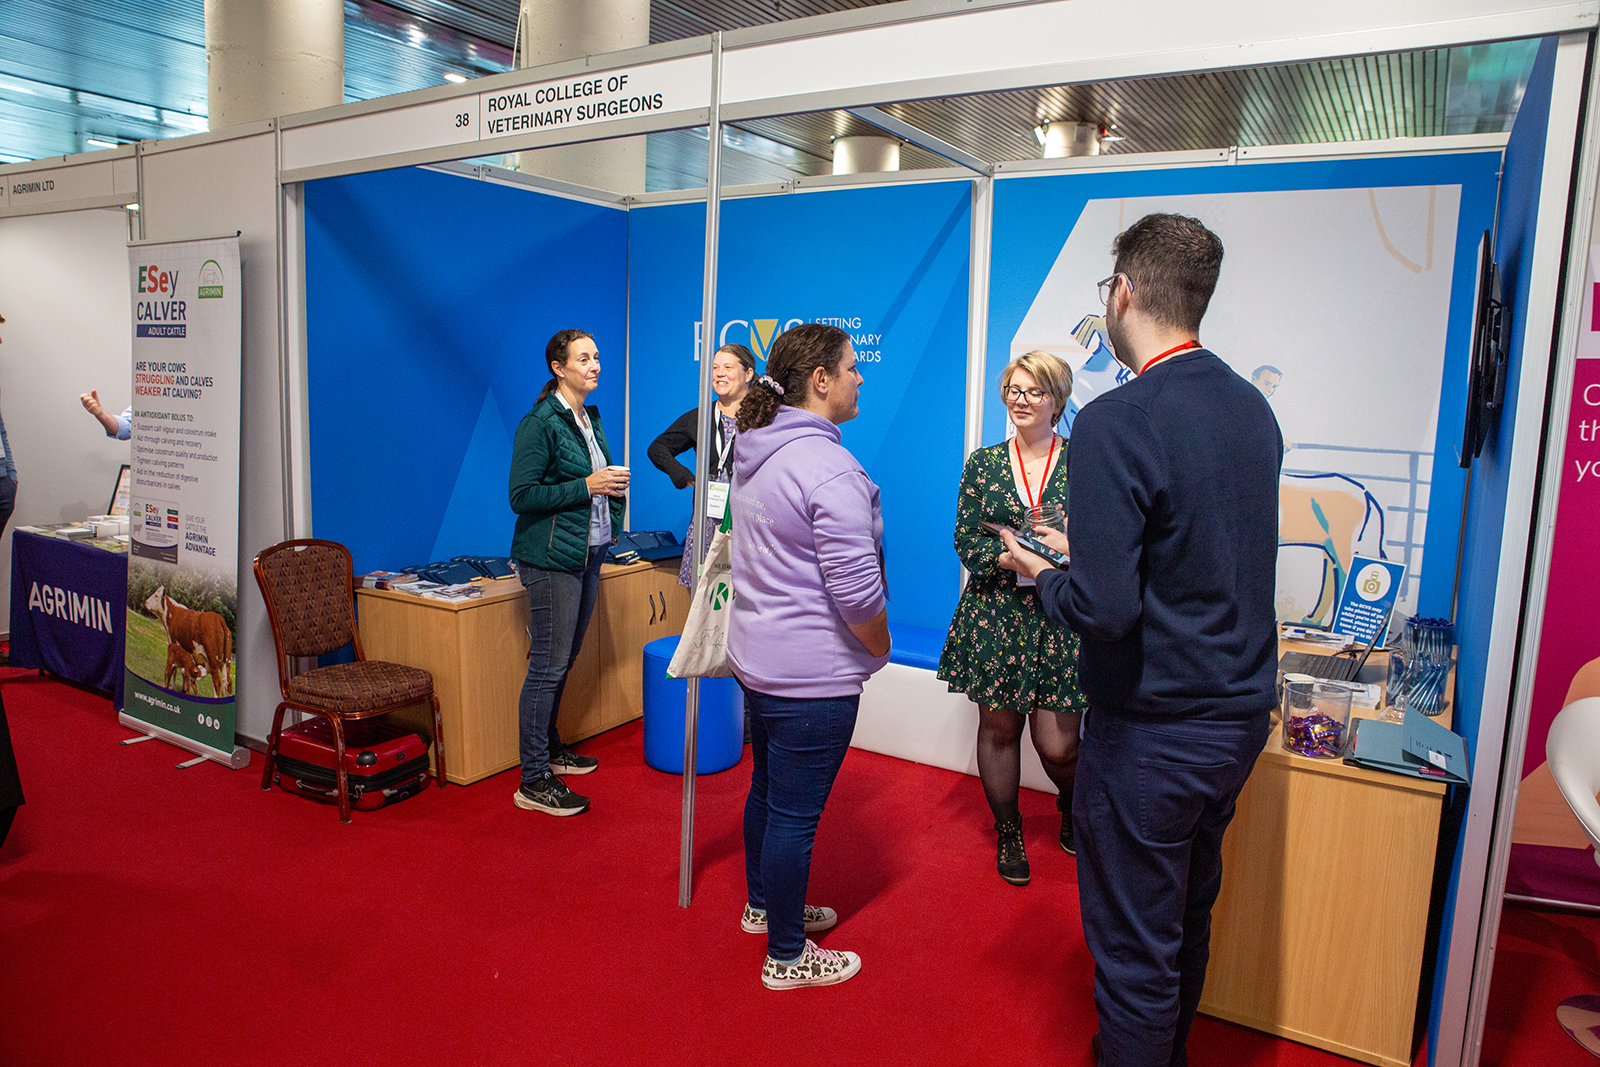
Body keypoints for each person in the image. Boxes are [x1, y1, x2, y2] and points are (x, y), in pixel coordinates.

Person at [999, 214, 1281, 1067]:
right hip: (1236, 720)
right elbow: (1195, 547)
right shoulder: (1251, 408)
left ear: (1122, 292)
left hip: (1155, 731)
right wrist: (1096, 555)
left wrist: (1044, 573)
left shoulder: (1120, 418)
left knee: (1134, 952)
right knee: (1185, 915)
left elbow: (1106, 610)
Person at [727, 323, 890, 990]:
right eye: (851, 368)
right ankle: (788, 955)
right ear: (820, 380)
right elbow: (857, 592)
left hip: (761, 663)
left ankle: (766, 906)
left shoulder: (754, 447)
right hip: (811, 678)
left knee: (769, 792)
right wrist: (879, 647)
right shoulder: (828, 468)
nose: (860, 377)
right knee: (794, 816)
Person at [937, 350, 1086, 887]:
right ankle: (1008, 830)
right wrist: (1010, 558)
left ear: (1057, 400)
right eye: (1014, 390)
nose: (1021, 400)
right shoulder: (984, 464)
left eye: (1034, 391)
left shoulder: (1084, 461)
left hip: (1061, 613)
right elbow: (965, 537)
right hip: (997, 613)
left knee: (1058, 744)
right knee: (998, 729)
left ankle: (1073, 806)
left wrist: (1063, 548)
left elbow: (1107, 538)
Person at [507, 328, 628, 817]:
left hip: (588, 553)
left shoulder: (587, 417)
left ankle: (552, 750)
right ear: (558, 368)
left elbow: (596, 484)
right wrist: (588, 485)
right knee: (548, 666)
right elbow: (522, 496)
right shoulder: (540, 422)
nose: (594, 365)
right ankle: (533, 780)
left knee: (564, 659)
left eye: (596, 356)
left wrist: (609, 501)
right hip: (551, 558)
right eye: (583, 358)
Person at [646, 343, 756, 587]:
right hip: (709, 522)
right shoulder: (702, 417)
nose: (719, 374)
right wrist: (681, 474)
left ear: (748, 373)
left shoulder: (764, 417)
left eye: (728, 367)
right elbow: (657, 448)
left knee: (745, 594)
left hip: (750, 518)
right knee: (703, 596)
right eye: (715, 368)